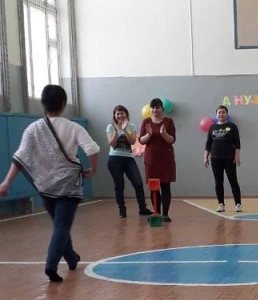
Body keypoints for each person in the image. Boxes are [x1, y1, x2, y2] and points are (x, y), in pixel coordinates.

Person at [0, 84, 99, 283]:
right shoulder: (73, 127)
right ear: (64, 103)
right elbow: (93, 149)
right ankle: (51, 266)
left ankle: (72, 258)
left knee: (60, 225)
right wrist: (93, 170)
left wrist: (6, 183)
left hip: (45, 186)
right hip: (69, 186)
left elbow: (19, 158)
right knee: (62, 226)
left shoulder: (32, 129)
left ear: (43, 104)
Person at [106, 105, 152, 218]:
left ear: (126, 114)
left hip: (128, 158)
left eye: (122, 113)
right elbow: (112, 144)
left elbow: (132, 141)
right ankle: (122, 209)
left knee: (138, 183)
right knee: (119, 185)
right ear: (114, 115)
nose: (120, 115)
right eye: (117, 113)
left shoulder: (131, 126)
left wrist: (125, 128)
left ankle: (142, 208)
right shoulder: (111, 126)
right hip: (114, 159)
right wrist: (116, 132)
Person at [139, 98, 176, 221]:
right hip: (151, 160)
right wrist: (148, 134)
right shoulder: (146, 122)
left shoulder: (169, 121)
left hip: (166, 159)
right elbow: (141, 140)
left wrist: (164, 134)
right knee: (154, 187)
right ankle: (157, 213)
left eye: (158, 107)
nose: (155, 110)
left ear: (162, 109)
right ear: (151, 109)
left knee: (165, 186)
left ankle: (165, 214)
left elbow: (172, 140)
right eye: (153, 107)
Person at [204, 106, 242, 212]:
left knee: (233, 181)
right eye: (219, 113)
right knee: (218, 182)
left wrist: (237, 156)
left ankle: (238, 204)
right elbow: (208, 143)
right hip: (215, 158)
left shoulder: (232, 126)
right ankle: (221, 204)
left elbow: (237, 143)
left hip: (229, 158)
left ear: (226, 114)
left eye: (223, 112)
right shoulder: (212, 127)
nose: (221, 114)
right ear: (216, 115)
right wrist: (205, 157)